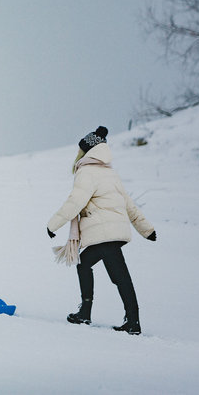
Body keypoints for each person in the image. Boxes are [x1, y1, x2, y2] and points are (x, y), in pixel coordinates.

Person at [46, 126, 156, 335]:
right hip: (113, 231)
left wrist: (53, 224)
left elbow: (75, 201)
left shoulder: (86, 172)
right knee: (85, 264)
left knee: (119, 276)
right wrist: (146, 230)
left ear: (86, 151)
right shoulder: (110, 172)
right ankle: (88, 313)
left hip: (105, 233)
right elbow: (129, 204)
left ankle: (131, 322)